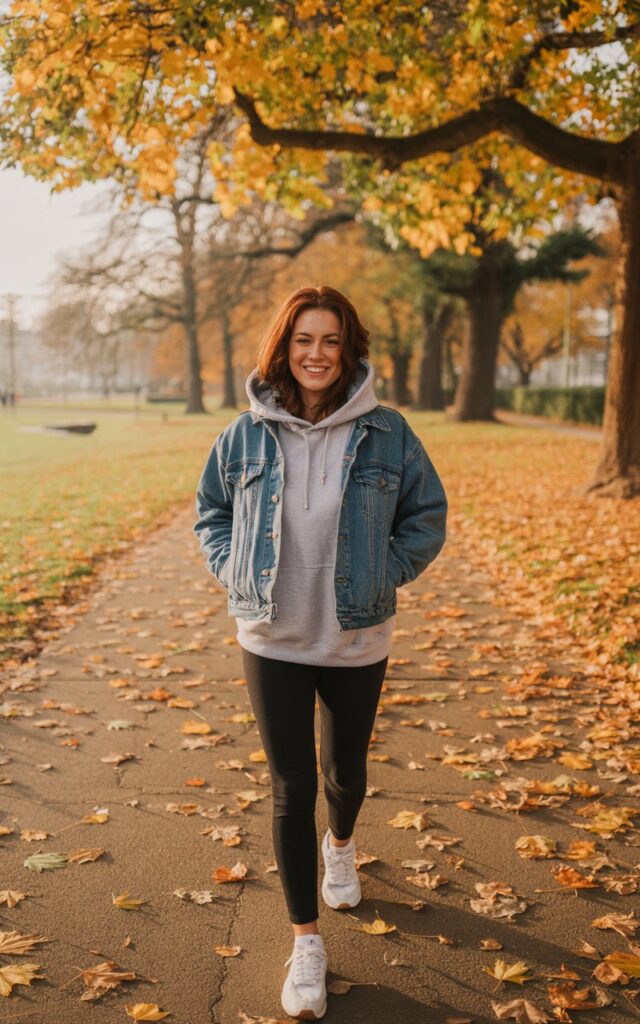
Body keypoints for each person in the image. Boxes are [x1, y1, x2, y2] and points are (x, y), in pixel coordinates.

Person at [193, 285, 447, 1020]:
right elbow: (210, 510)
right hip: (270, 635)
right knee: (288, 785)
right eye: (303, 339)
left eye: (330, 340)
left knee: (345, 773)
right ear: (284, 346)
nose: (316, 353)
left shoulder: (389, 433)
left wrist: (385, 571)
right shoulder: (243, 434)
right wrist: (232, 565)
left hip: (355, 634)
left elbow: (426, 517)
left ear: (349, 350)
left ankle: (342, 844)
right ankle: (305, 940)